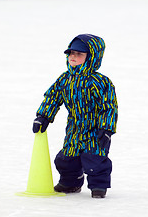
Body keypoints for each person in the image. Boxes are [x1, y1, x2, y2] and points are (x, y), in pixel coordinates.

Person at [32, 34, 118, 198]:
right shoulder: (65, 79)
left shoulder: (100, 82)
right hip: (74, 128)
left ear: (91, 57)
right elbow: (53, 98)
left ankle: (98, 187)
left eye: (79, 54)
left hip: (95, 130)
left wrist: (106, 128)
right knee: (66, 159)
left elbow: (109, 106)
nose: (73, 57)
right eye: (71, 53)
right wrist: (43, 116)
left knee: (95, 159)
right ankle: (70, 182)